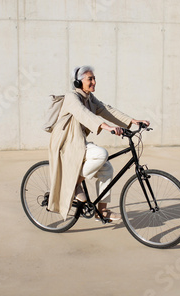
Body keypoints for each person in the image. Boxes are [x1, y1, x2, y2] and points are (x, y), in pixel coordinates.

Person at [48, 65, 150, 221]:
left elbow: (106, 110)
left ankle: (102, 211)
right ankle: (73, 183)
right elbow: (84, 114)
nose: (94, 82)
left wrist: (133, 121)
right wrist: (106, 127)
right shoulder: (71, 97)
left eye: (94, 78)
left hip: (78, 141)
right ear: (78, 83)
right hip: (66, 142)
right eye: (90, 79)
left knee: (107, 169)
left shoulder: (89, 97)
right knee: (101, 154)